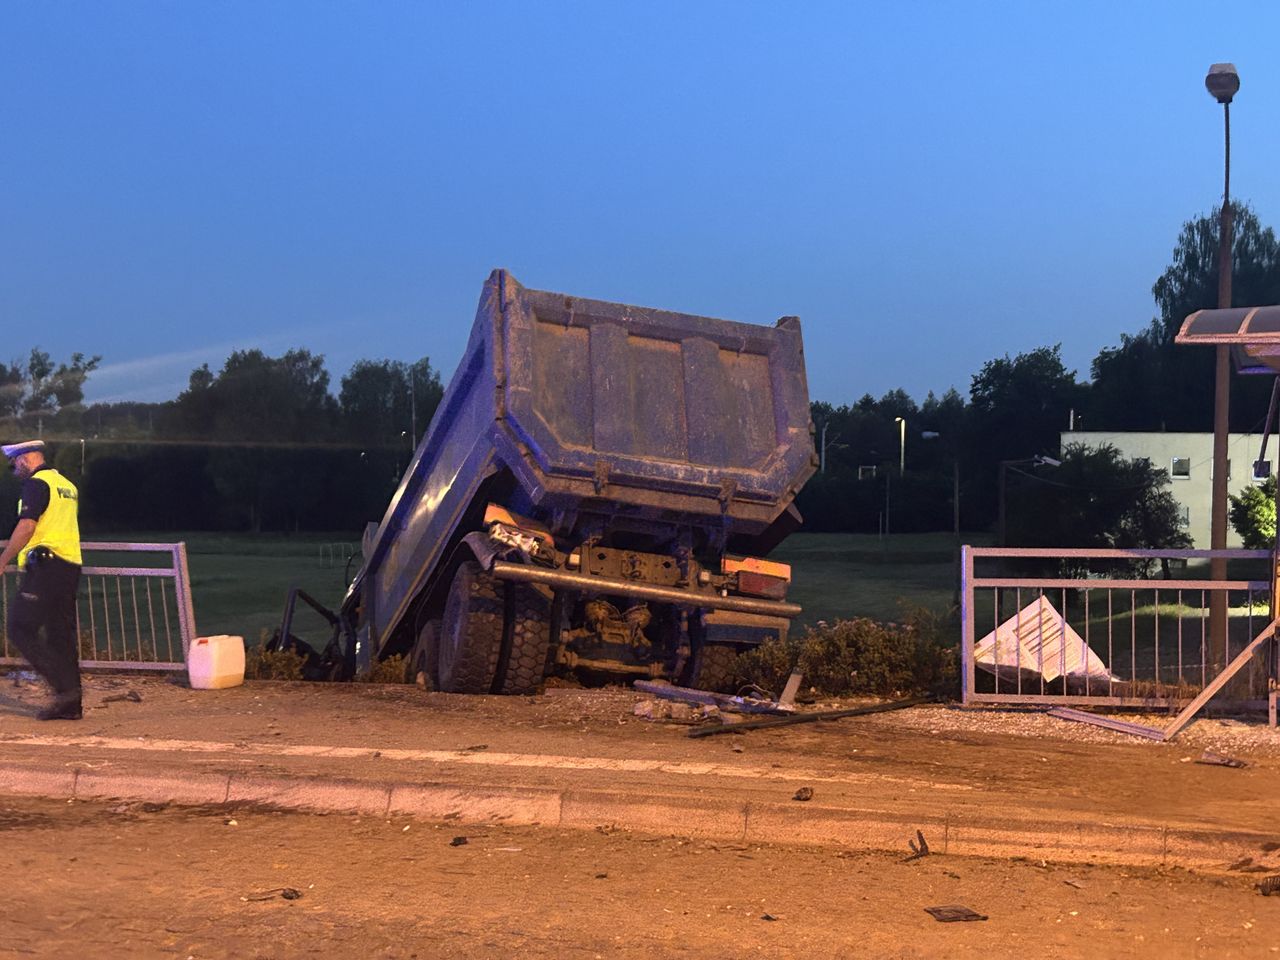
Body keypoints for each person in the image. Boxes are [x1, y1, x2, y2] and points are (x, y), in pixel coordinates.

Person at [0, 440, 83, 720]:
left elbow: (27, 526)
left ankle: (65, 689)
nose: (14, 471)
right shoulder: (66, 485)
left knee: (19, 628)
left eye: (14, 465)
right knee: (61, 636)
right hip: (69, 566)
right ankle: (71, 705)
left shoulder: (36, 484)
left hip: (45, 568)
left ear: (25, 459)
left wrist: (3, 560)